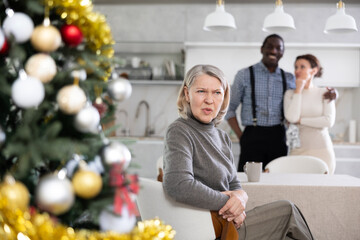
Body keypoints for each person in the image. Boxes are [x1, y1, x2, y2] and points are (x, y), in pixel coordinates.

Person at [163, 64, 314, 239]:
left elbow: (233, 183)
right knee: (287, 211)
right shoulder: (179, 130)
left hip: (226, 221)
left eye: (217, 92)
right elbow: (178, 184)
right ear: (187, 94)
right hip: (207, 228)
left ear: (224, 97)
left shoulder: (222, 136)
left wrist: (241, 197)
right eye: (201, 91)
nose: (209, 100)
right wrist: (230, 203)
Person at [225, 34, 337, 172]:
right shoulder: (244, 75)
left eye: (279, 48)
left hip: (278, 136)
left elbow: (307, 93)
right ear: (262, 49)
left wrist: (333, 93)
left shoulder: (289, 78)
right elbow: (229, 109)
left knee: (278, 179)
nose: (273, 51)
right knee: (248, 181)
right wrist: (241, 137)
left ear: (282, 53)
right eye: (270, 47)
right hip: (252, 135)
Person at [284, 54, 336, 174]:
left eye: (302, 67)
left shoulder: (326, 92)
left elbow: (328, 121)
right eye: (296, 67)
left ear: (314, 70)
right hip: (297, 151)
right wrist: (298, 90)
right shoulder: (290, 94)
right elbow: (292, 117)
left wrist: (301, 121)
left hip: (322, 150)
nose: (297, 70)